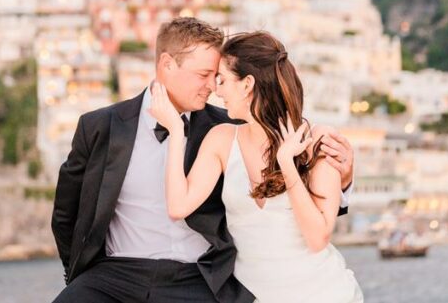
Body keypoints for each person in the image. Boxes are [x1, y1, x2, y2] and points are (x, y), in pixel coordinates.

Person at [51, 18, 356, 303]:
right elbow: (67, 210)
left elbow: (299, 196)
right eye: (204, 75)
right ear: (167, 65)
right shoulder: (101, 126)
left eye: (217, 77)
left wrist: (342, 182)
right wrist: (76, 272)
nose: (212, 87)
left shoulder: (228, 125)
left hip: (200, 276)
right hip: (116, 272)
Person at [150, 30, 363, 303]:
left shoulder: (316, 141)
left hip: (323, 294)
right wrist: (177, 133)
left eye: (223, 80)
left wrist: (287, 165)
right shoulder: (222, 139)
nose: (216, 89)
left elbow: (317, 238)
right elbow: (178, 207)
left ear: (247, 84)